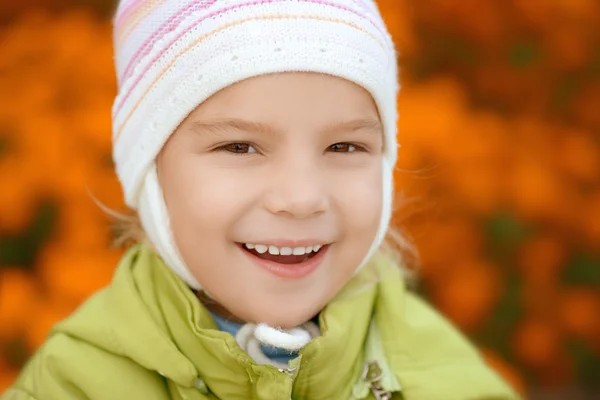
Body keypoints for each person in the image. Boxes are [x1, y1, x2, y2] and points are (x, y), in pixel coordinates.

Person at [3, 1, 521, 399]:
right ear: (150, 167)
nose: (300, 199)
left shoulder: (445, 377)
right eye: (239, 146)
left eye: (345, 146)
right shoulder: (71, 383)